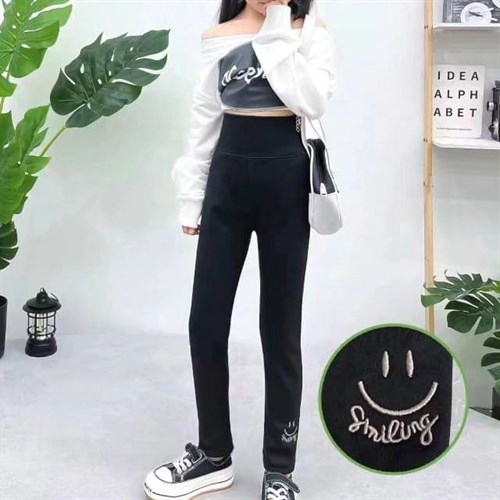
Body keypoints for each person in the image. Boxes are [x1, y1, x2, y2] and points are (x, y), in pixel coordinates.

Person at [144, 1, 336, 499]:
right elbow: (204, 120)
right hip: (226, 183)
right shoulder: (219, 37)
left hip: (286, 184)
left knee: (280, 328)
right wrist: (192, 198)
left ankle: (280, 469)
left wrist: (277, 28)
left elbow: (312, 100)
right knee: (205, 323)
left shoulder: (310, 32)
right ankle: (213, 455)